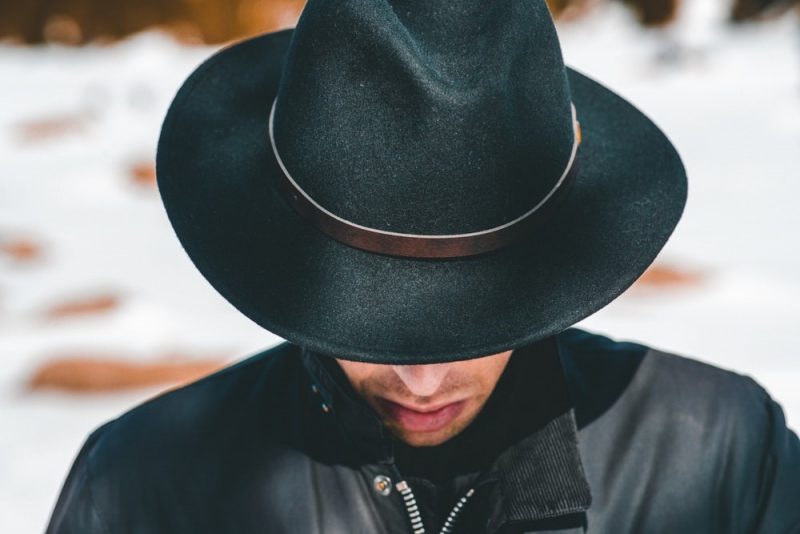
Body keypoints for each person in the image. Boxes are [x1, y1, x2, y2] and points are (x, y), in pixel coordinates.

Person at [46, 0, 800, 532]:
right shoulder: (143, 486)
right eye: (373, 331)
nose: (421, 381)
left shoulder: (725, 454)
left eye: (467, 327)